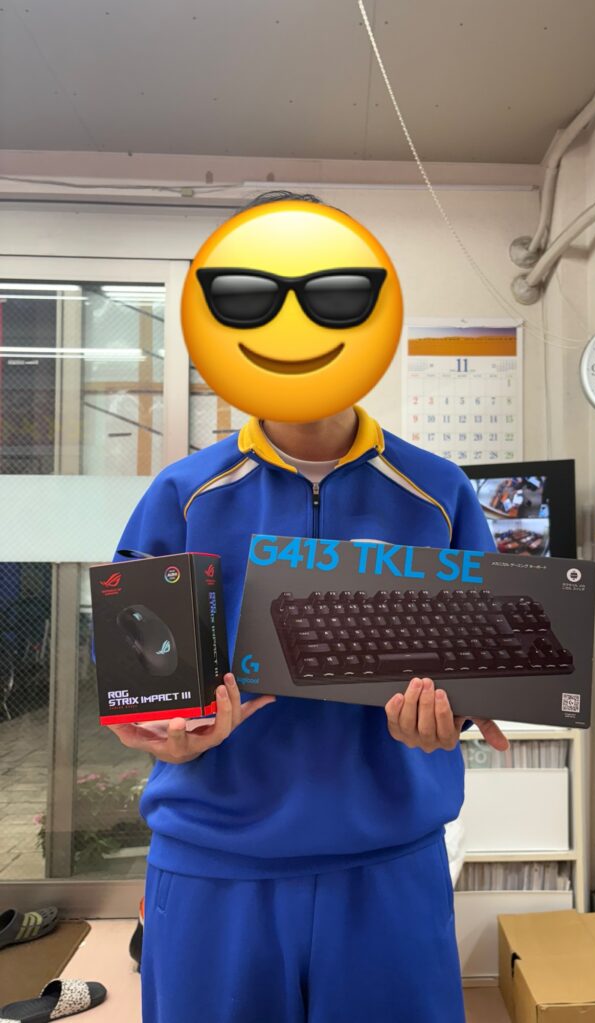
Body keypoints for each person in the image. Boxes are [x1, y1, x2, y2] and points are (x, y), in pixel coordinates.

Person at [108, 194, 508, 1023]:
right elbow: (136, 694)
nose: (293, 326)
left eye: (332, 297)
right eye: (251, 299)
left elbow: (477, 678)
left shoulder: (438, 493)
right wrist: (166, 732)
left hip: (387, 865)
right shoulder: (183, 495)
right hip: (215, 862)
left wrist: (456, 717)